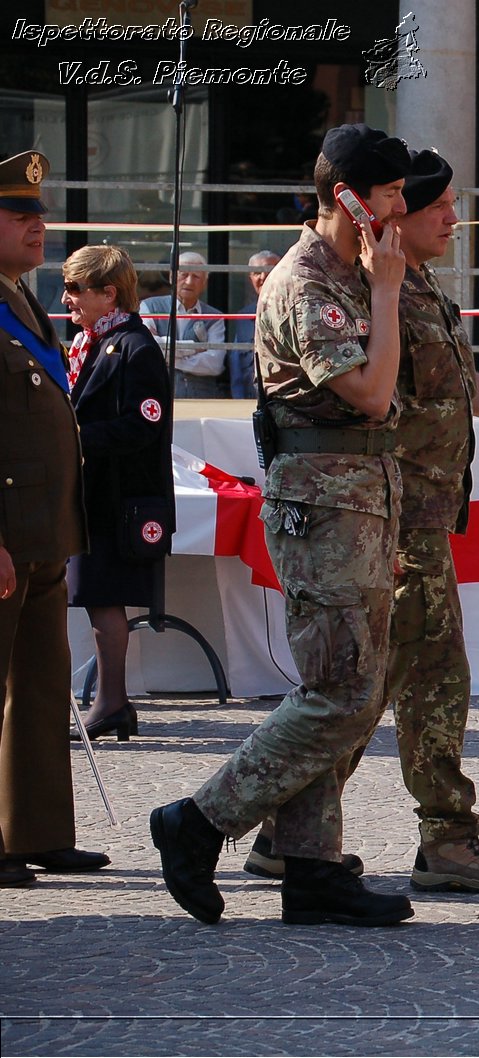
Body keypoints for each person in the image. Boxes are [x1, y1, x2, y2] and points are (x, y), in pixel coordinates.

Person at [240, 148, 479, 893]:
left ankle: (289, 834)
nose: (454, 218)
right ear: (387, 213)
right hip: (385, 512)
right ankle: (441, 836)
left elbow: (461, 385)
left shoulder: (410, 283)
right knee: (414, 677)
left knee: (380, 680)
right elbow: (366, 394)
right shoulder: (363, 286)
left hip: (413, 510)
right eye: (434, 206)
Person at [148, 123, 414, 927]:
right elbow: (369, 393)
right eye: (392, 194)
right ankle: (197, 821)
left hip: (359, 498)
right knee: (340, 693)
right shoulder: (303, 282)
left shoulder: (348, 270)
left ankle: (311, 867)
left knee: (352, 687)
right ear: (348, 198)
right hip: (325, 503)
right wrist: (390, 293)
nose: (402, 208)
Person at [0, 149, 108, 885]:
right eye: (20, 216)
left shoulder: (23, 299)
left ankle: (32, 829)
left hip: (41, 531)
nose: (39, 226)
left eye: (39, 215)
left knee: (42, 683)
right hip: (6, 535)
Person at [61, 244, 172, 742]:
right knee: (94, 597)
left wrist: (75, 438)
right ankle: (112, 703)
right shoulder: (91, 342)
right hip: (94, 494)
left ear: (109, 294)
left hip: (118, 497)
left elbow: (144, 425)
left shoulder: (135, 347)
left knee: (104, 598)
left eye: (75, 289)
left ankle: (112, 702)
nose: (66, 299)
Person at [140, 251, 227, 398]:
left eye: (196, 277)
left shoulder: (215, 316)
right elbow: (147, 349)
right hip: (157, 396)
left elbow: (215, 364)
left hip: (202, 400)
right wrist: (193, 348)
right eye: (184, 275)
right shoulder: (149, 307)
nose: (189, 282)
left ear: (205, 283)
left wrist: (168, 358)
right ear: (172, 277)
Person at [227, 250, 279, 399]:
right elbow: (236, 364)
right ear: (250, 278)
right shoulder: (243, 315)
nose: (263, 277)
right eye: (256, 273)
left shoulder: (294, 310)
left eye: (269, 271)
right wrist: (238, 400)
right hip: (250, 400)